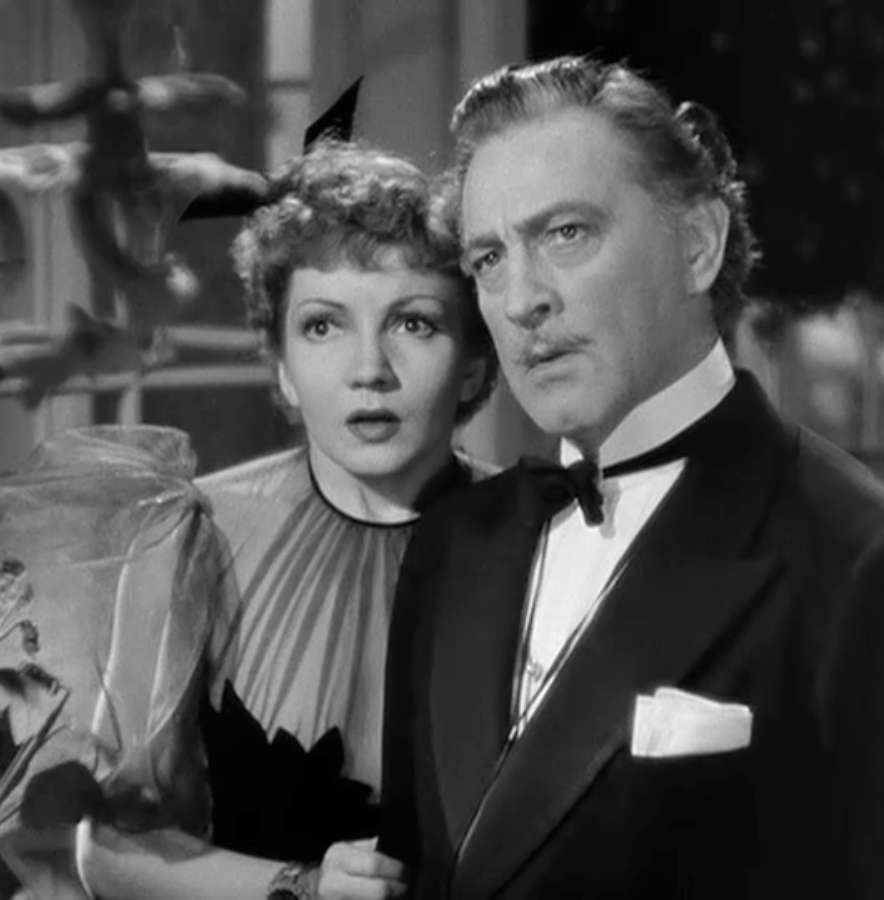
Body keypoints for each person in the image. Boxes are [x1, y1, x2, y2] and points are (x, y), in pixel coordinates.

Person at [377, 55, 884, 899]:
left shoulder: (854, 555)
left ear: (698, 245)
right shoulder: (453, 542)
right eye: (488, 259)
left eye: (566, 234)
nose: (521, 300)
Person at [75, 141, 497, 900]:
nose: (369, 370)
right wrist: (296, 888)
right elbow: (107, 847)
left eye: (413, 324)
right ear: (280, 367)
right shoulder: (190, 539)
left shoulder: (544, 537)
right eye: (323, 327)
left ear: (473, 362)